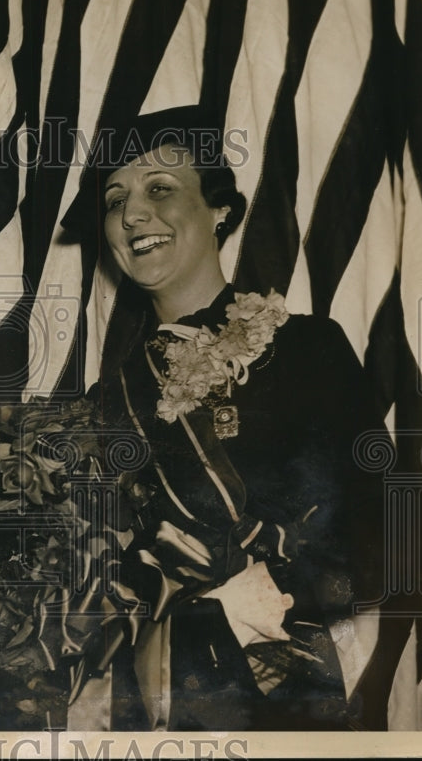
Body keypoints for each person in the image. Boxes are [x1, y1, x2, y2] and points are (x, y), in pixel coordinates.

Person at [61, 107, 388, 730]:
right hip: (143, 704)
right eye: (114, 200)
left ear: (220, 211)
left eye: (161, 189)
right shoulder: (107, 403)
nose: (132, 215)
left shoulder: (306, 349)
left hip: (283, 696)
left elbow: (386, 527)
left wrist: (253, 597)